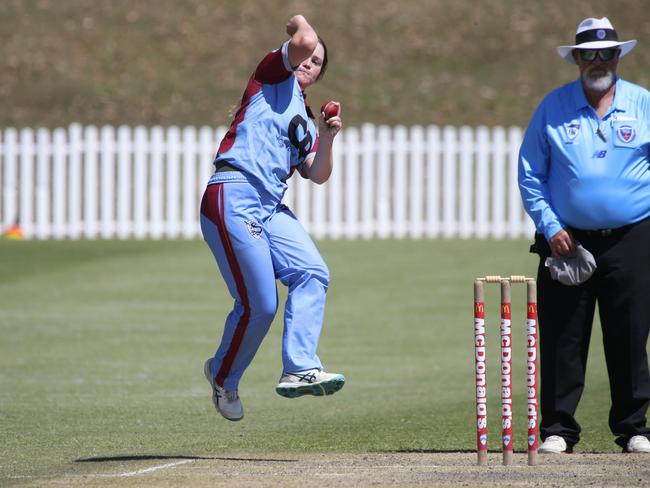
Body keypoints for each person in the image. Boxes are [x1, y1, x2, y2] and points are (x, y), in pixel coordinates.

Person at [199, 15, 345, 421]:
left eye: (317, 63)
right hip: (233, 192)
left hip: (269, 205)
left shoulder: (303, 112)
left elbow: (317, 173)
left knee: (313, 271)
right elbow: (305, 36)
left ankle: (300, 368)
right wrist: (296, 20)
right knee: (260, 304)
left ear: (318, 75)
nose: (308, 62)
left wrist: (328, 138)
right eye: (306, 56)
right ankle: (223, 376)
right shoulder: (271, 76)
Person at [518, 17, 650, 454]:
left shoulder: (642, 104)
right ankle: (558, 428)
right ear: (575, 58)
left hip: (632, 236)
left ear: (618, 56)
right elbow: (531, 174)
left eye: (606, 52)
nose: (598, 61)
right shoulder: (552, 107)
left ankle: (633, 427)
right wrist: (551, 226)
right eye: (589, 53)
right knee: (562, 334)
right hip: (567, 239)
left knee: (630, 333)